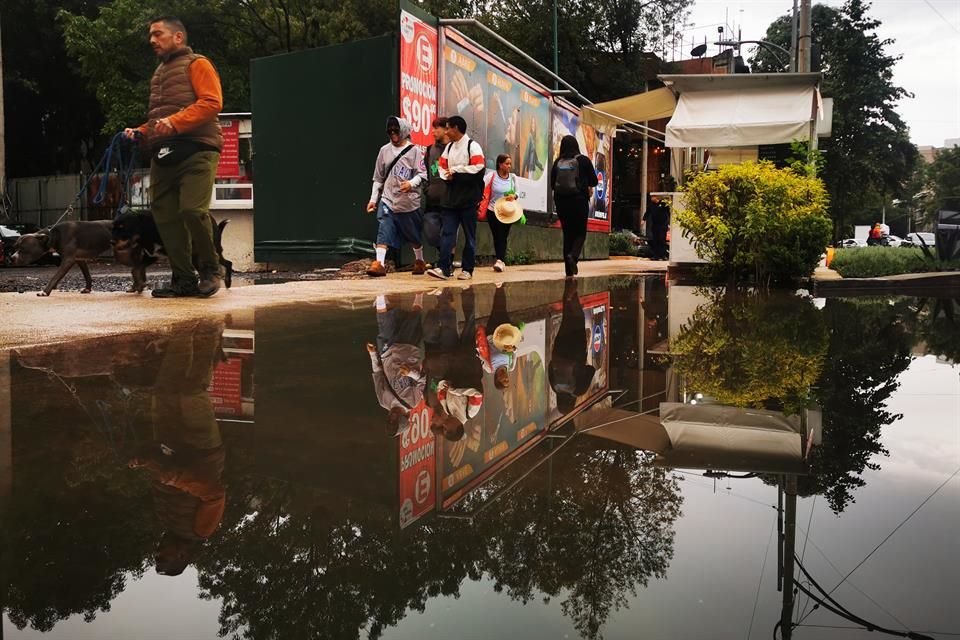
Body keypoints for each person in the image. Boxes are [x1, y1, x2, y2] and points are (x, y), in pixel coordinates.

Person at [123, 16, 225, 298]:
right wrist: (141, 131)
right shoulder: (158, 73)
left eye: (158, 34)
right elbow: (160, 118)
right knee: (165, 217)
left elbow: (212, 102)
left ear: (178, 37)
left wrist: (177, 121)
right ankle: (183, 279)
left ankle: (210, 269)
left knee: (192, 210)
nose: (152, 40)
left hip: (197, 147)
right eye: (150, 36)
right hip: (163, 152)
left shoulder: (198, 64)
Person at [127, 321, 226, 576]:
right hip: (201, 448)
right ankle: (209, 328)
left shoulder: (166, 521)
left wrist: (144, 457)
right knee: (192, 393)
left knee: (163, 390)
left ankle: (183, 328)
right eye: (162, 557)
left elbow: (160, 478)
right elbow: (214, 494)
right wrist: (177, 478)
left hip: (167, 441)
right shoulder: (201, 531)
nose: (157, 550)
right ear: (181, 556)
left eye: (155, 556)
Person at [366, 116, 428, 277]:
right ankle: (379, 263)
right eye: (390, 131)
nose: (393, 134)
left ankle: (419, 260)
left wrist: (411, 183)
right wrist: (373, 199)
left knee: (413, 235)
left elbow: (422, 174)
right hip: (388, 199)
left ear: (404, 131)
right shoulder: (384, 151)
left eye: (396, 131)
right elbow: (378, 178)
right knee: (384, 228)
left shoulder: (414, 151)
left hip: (408, 203)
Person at [428, 116, 486, 281]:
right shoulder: (449, 148)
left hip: (468, 201)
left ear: (456, 128)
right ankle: (444, 268)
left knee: (470, 236)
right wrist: (447, 175)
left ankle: (468, 269)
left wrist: (457, 171)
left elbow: (478, 167)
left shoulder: (472, 146)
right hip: (450, 200)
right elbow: (441, 167)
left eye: (448, 128)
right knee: (447, 234)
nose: (446, 132)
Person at [366, 293, 426, 433]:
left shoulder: (383, 401)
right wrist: (411, 373)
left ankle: (380, 293)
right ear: (403, 418)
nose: (392, 417)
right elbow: (423, 380)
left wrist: (373, 355)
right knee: (414, 318)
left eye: (390, 420)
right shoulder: (412, 402)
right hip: (408, 351)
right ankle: (419, 293)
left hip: (387, 354)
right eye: (395, 421)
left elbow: (378, 375)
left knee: (383, 323)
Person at [551, 135, 598, 277]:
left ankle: (568, 271)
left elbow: (552, 184)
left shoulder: (558, 162)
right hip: (579, 200)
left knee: (567, 233)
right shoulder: (583, 160)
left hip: (561, 201)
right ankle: (574, 257)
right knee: (580, 233)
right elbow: (595, 181)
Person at [549, 279, 597, 416]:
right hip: (559, 350)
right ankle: (570, 292)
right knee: (567, 319)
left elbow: (591, 370)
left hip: (576, 352)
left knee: (578, 318)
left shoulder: (578, 391)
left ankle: (571, 294)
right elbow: (550, 366)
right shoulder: (555, 388)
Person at [422, 116, 456, 266]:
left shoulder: (456, 149)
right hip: (432, 199)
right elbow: (426, 172)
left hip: (451, 199)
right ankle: (445, 257)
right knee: (431, 233)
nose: (433, 131)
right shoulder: (430, 150)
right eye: (433, 128)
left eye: (437, 128)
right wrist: (427, 189)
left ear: (446, 129)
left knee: (449, 233)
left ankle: (445, 262)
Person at [478, 154, 519, 272]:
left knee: (503, 235)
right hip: (492, 210)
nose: (509, 166)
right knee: (497, 236)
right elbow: (481, 185)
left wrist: (514, 196)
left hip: (507, 212)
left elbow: (518, 192)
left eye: (510, 164)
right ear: (500, 165)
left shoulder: (513, 178)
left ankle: (500, 260)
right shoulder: (492, 176)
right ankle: (500, 259)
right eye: (507, 163)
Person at [643, 195, 670, 260]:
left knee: (662, 240)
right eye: (651, 197)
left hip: (663, 225)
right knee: (655, 240)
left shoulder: (663, 204)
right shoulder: (651, 205)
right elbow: (647, 212)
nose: (652, 198)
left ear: (657, 197)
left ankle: (663, 255)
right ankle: (656, 256)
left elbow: (669, 213)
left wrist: (669, 223)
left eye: (653, 197)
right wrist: (643, 219)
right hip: (655, 225)